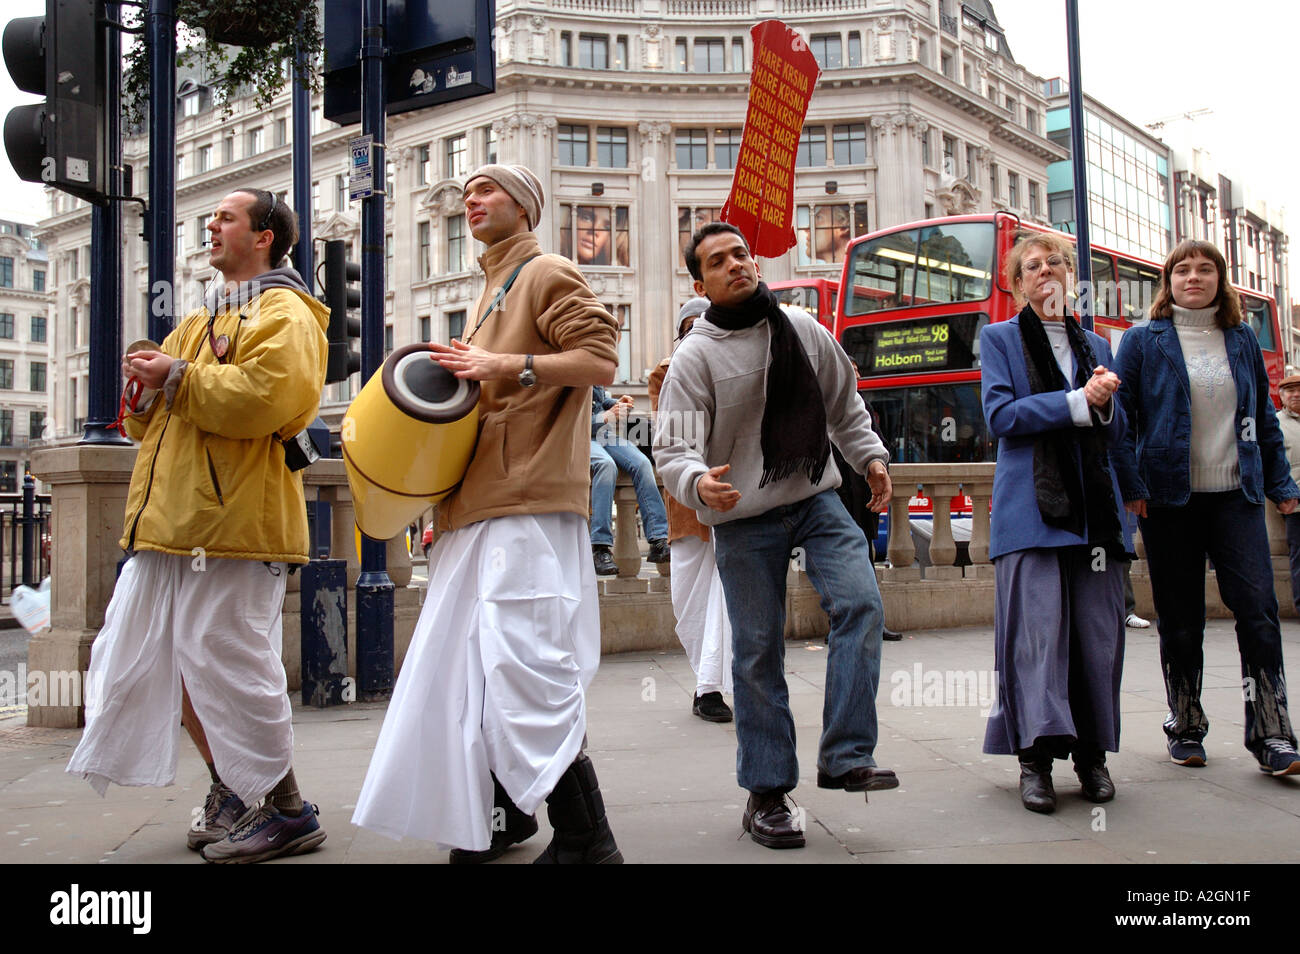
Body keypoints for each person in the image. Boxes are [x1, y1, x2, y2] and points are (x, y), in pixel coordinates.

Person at [351, 163, 625, 863]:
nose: (472, 199)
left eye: (488, 190)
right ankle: (503, 817)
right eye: (466, 191)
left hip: (524, 507)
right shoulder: (489, 289)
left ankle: (590, 841)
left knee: (524, 667)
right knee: (472, 670)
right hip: (483, 508)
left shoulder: (547, 271)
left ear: (525, 207)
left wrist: (507, 368)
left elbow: (599, 361)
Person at [66, 188, 330, 863]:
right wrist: (146, 389)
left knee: (230, 661)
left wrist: (177, 376)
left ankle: (287, 809)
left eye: (227, 217)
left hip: (236, 523)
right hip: (174, 524)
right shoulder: (198, 319)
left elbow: (271, 399)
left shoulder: (286, 311)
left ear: (265, 236)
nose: (211, 225)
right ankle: (235, 793)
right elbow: (150, 425)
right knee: (170, 664)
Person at [655, 222, 898, 851]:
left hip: (815, 496)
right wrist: (697, 484)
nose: (735, 264)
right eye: (718, 260)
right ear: (700, 282)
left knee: (862, 606)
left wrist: (870, 460)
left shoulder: (804, 329)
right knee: (757, 651)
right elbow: (672, 449)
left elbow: (845, 409)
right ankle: (766, 793)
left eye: (740, 253)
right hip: (743, 515)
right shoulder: (695, 357)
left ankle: (846, 756)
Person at [1114, 240, 1300, 776]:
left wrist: (1281, 484)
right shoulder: (1144, 342)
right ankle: (1187, 725)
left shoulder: (1241, 339)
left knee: (1260, 613)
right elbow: (1121, 421)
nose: (1194, 278)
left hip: (1236, 497)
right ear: (1168, 282)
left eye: (1205, 269)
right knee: (1181, 620)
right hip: (1170, 498)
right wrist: (1131, 484)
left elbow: (1263, 421)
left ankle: (1273, 733)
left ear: (1220, 280)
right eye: (1183, 270)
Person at [979, 230, 1131, 815]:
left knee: (1098, 636)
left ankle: (1092, 756)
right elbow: (999, 416)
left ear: (1070, 276)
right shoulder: (999, 339)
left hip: (1094, 510)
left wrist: (1107, 402)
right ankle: (1035, 760)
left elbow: (1118, 433)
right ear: (1017, 285)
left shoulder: (1096, 342)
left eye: (1055, 264)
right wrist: (1078, 402)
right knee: (1037, 636)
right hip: (1031, 511)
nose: (1046, 272)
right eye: (1032, 267)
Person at [649, 297, 733, 722]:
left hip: (730, 497)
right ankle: (707, 677)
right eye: (690, 323)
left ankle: (709, 687)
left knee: (723, 596)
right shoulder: (666, 372)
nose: (698, 328)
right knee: (689, 598)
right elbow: (676, 436)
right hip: (687, 503)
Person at [589, 385, 670, 576]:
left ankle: (658, 540)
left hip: (604, 435)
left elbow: (597, 401)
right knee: (606, 465)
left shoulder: (595, 372)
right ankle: (600, 548)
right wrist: (607, 415)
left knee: (642, 463)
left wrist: (616, 404)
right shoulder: (575, 368)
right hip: (581, 436)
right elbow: (569, 419)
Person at [1277, 373, 1300, 617]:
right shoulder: (1277, 424)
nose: (1295, 395)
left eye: (1299, 390)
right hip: (1295, 501)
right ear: (1282, 397)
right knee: (1299, 557)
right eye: (1290, 391)